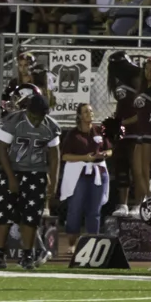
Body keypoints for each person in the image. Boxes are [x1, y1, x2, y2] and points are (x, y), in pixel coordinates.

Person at [0, 89, 62, 270]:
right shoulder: (14, 122)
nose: (36, 120)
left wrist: (53, 181)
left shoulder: (50, 126)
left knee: (31, 217)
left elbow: (55, 156)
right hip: (14, 170)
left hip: (36, 173)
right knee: (3, 213)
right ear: (27, 111)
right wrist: (10, 177)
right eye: (33, 115)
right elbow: (1, 148)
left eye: (40, 116)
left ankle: (27, 256)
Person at [58, 102, 112, 259]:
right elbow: (65, 156)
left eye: (91, 111)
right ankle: (72, 244)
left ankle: (92, 243)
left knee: (94, 210)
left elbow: (109, 149)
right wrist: (84, 158)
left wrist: (105, 155)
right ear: (80, 116)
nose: (89, 114)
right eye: (86, 112)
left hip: (98, 173)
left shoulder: (100, 131)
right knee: (75, 208)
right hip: (79, 174)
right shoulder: (73, 134)